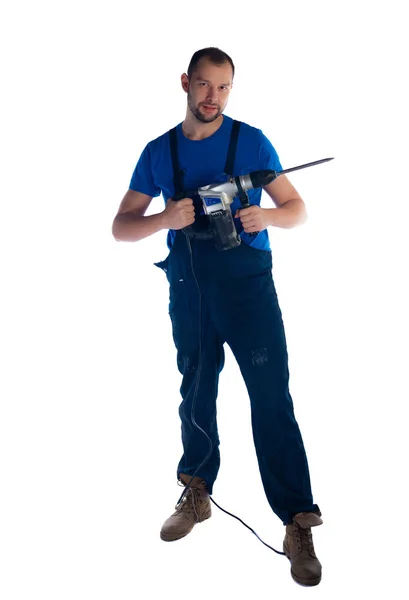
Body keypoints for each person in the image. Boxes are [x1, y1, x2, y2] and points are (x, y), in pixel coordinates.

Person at [112, 47, 324, 587]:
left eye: (224, 88)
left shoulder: (250, 141)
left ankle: (298, 521)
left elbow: (297, 209)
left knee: (271, 396)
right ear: (186, 82)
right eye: (205, 85)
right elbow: (122, 226)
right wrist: (165, 216)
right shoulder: (159, 153)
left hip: (249, 291)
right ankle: (198, 492)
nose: (213, 97)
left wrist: (266, 214)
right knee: (197, 388)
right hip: (190, 288)